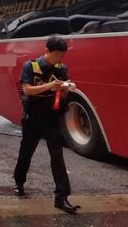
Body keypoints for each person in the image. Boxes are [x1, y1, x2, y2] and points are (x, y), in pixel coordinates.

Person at [13, 35, 80, 214]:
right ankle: (19, 183)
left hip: (52, 117)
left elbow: (63, 93)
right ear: (47, 51)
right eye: (56, 55)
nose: (59, 59)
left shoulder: (61, 68)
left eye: (62, 56)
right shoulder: (30, 66)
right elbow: (27, 89)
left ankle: (62, 197)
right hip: (33, 117)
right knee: (26, 153)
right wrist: (49, 87)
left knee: (57, 156)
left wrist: (66, 88)